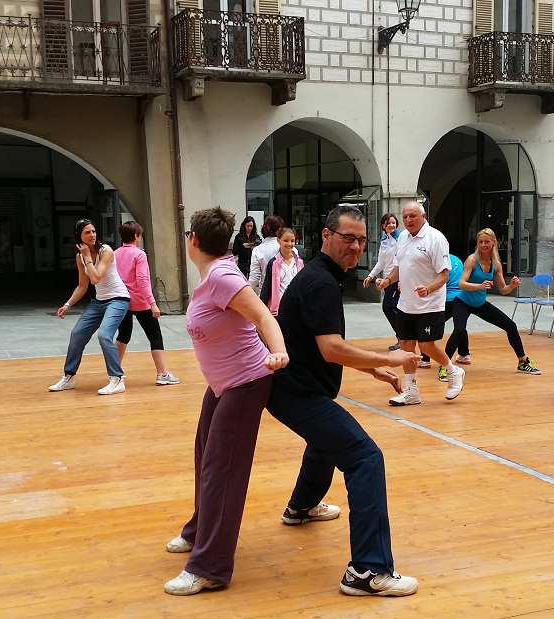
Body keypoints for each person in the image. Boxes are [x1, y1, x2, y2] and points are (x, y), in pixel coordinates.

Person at [267, 204, 421, 597]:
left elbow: (320, 344)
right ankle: (368, 571)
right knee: (364, 456)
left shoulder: (320, 277)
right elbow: (332, 349)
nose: (355, 246)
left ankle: (300, 508)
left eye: (361, 240)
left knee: (326, 442)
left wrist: (371, 370)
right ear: (326, 236)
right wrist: (390, 358)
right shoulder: (320, 283)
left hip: (295, 389)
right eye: (347, 238)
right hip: (296, 394)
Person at [164, 207, 289, 596]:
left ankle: (210, 567)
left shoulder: (222, 275)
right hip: (220, 385)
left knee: (222, 470)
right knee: (206, 458)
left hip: (246, 382)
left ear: (194, 241)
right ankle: (200, 530)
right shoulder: (213, 275)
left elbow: (266, 318)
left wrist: (279, 352)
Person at [376, 201, 465, 405]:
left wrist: (428, 289)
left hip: (430, 304)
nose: (408, 220)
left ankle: (454, 371)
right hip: (406, 304)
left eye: (413, 216)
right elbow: (399, 267)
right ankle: (412, 391)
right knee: (407, 347)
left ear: (423, 216)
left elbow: (444, 274)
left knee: (426, 346)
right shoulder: (403, 239)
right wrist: (387, 280)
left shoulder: (436, 239)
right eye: (405, 216)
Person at [48, 218, 131, 395]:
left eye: (93, 231)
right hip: (99, 301)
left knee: (104, 335)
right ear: (79, 235)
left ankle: (117, 379)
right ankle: (69, 376)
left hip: (118, 299)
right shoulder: (80, 257)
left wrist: (87, 258)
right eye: (87, 232)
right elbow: (83, 285)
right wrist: (68, 304)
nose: (92, 235)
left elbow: (96, 278)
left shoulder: (106, 251)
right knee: (77, 334)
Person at [447, 228, 541, 376]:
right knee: (459, 330)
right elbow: (461, 284)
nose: (483, 245)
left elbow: (503, 289)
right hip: (463, 302)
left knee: (510, 326)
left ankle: (523, 362)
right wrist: (480, 286)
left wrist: (512, 286)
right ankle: (444, 366)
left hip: (480, 304)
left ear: (493, 243)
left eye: (486, 242)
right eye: (480, 242)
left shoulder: (496, 264)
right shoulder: (472, 259)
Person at [113, 221, 180, 386]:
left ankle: (115, 371)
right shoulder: (139, 255)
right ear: (136, 236)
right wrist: (152, 303)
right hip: (141, 302)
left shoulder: (114, 253)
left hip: (122, 301)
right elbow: (142, 280)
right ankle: (162, 374)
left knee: (123, 335)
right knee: (155, 336)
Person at [363, 213, 402, 351]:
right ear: (383, 226)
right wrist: (371, 276)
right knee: (394, 308)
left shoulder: (401, 239)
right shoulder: (384, 240)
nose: (392, 225)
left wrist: (401, 279)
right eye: (389, 223)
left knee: (388, 307)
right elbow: (381, 262)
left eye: (394, 222)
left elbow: (403, 261)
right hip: (387, 280)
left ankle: (403, 338)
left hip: (397, 279)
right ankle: (403, 338)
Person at [437, 253, 470, 381]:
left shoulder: (439, 261)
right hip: (461, 299)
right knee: (460, 327)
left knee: (430, 324)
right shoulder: (457, 260)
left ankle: (425, 359)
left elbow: (440, 282)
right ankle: (464, 354)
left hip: (447, 300)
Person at [258, 227, 304, 316]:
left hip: (296, 309)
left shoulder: (300, 263)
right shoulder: (273, 263)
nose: (289, 244)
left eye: (292, 241)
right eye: (286, 240)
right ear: (278, 241)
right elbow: (267, 287)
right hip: (278, 310)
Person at [248, 214, 286, 293]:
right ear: (279, 230)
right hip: (286, 294)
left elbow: (254, 278)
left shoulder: (258, 250)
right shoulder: (290, 248)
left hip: (266, 294)